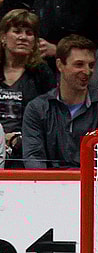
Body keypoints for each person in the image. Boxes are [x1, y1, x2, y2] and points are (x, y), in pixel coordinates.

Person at [22, 34, 98, 168]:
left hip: (91, 185)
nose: (87, 71)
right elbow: (33, 157)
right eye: (79, 64)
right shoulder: (37, 108)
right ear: (59, 65)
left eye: (91, 65)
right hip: (47, 185)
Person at [0, 9, 55, 168]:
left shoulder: (42, 74)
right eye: (16, 31)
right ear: (3, 37)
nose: (23, 37)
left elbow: (50, 119)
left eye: (29, 33)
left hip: (29, 147)